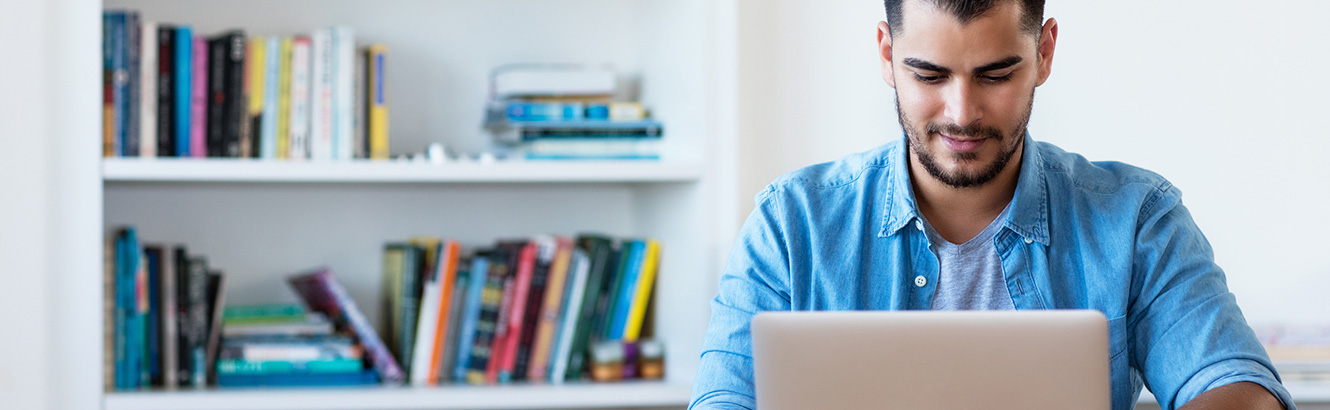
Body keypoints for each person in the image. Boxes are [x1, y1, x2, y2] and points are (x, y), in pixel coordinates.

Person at [689, 1, 1294, 409]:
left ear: (1045, 52)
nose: (961, 113)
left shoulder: (1138, 219)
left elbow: (1235, 385)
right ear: (885, 54)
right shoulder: (790, 225)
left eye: (996, 75)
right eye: (928, 76)